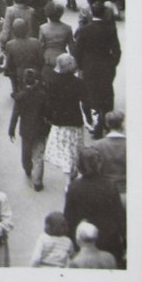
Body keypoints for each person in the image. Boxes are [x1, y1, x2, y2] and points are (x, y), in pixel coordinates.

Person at [63, 147, 126, 267]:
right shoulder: (110, 186)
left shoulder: (74, 187)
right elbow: (119, 215)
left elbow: (69, 218)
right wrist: (124, 241)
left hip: (84, 242)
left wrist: (72, 244)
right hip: (109, 239)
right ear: (99, 164)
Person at [73, 1, 121, 138]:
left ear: (92, 13)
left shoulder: (84, 30)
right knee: (106, 94)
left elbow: (77, 51)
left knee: (89, 94)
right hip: (106, 67)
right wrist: (113, 63)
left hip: (89, 68)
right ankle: (104, 122)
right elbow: (117, 50)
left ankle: (93, 123)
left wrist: (81, 66)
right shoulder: (110, 29)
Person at [44, 53, 86, 187]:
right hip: (74, 120)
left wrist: (49, 117)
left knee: (64, 151)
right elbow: (85, 101)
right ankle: (72, 173)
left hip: (59, 121)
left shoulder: (53, 82)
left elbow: (49, 102)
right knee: (73, 149)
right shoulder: (78, 83)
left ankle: (68, 180)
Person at [8, 67, 50, 191]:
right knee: (39, 154)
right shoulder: (42, 95)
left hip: (25, 130)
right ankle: (37, 181)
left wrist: (11, 130)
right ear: (36, 81)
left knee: (26, 152)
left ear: (24, 81)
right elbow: (48, 113)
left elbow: (15, 114)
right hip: (40, 129)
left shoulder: (20, 96)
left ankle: (27, 168)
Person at [93, 111, 127, 206]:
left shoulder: (97, 145)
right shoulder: (130, 145)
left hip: (104, 193)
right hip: (125, 191)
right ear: (122, 124)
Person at [3, 18, 44, 95]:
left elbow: (9, 64)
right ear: (26, 30)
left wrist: (8, 73)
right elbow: (41, 60)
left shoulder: (10, 44)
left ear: (14, 31)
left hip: (19, 75)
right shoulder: (36, 42)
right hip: (35, 73)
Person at [38, 2, 75, 82]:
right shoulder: (67, 28)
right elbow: (72, 47)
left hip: (48, 59)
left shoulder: (43, 28)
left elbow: (41, 46)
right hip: (62, 58)